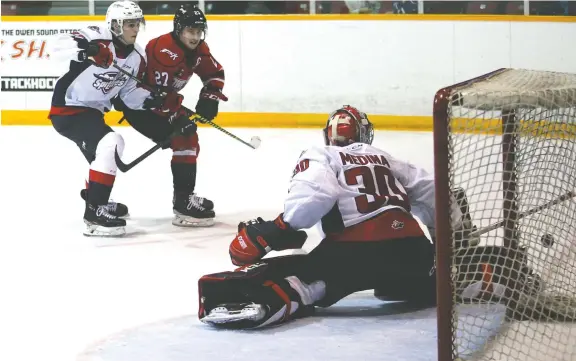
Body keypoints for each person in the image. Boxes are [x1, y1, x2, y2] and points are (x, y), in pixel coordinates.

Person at [196, 105, 469, 329]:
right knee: (411, 282)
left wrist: (282, 225)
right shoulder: (384, 157)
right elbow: (434, 190)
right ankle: (468, 275)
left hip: (353, 256)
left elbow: (314, 196)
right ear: (363, 133)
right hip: (414, 252)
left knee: (306, 280)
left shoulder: (322, 154)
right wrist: (445, 238)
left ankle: (263, 302)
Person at [49, 1, 184, 237]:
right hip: (68, 108)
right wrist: (89, 50)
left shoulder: (137, 57)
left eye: (137, 24)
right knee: (111, 142)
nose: (135, 29)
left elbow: (129, 96)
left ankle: (98, 199)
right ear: (114, 25)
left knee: (104, 153)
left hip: (92, 113)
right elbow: (56, 47)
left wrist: (157, 100)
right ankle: (95, 213)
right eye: (129, 24)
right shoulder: (96, 35)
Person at [114, 4, 225, 227]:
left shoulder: (199, 49)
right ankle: (184, 203)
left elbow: (214, 73)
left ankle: (184, 199)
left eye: (198, 32)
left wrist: (210, 96)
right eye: (190, 32)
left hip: (164, 102)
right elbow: (155, 96)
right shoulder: (164, 51)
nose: (195, 37)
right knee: (184, 137)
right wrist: (176, 116)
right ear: (179, 30)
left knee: (188, 138)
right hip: (141, 108)